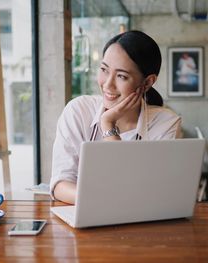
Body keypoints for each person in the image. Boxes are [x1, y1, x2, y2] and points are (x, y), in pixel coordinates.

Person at [50, 30, 182, 204]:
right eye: (104, 70)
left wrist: (108, 125)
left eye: (121, 76)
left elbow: (156, 194)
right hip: (85, 219)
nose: (107, 84)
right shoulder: (78, 111)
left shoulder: (166, 124)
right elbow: (60, 184)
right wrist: (105, 200)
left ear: (147, 82)